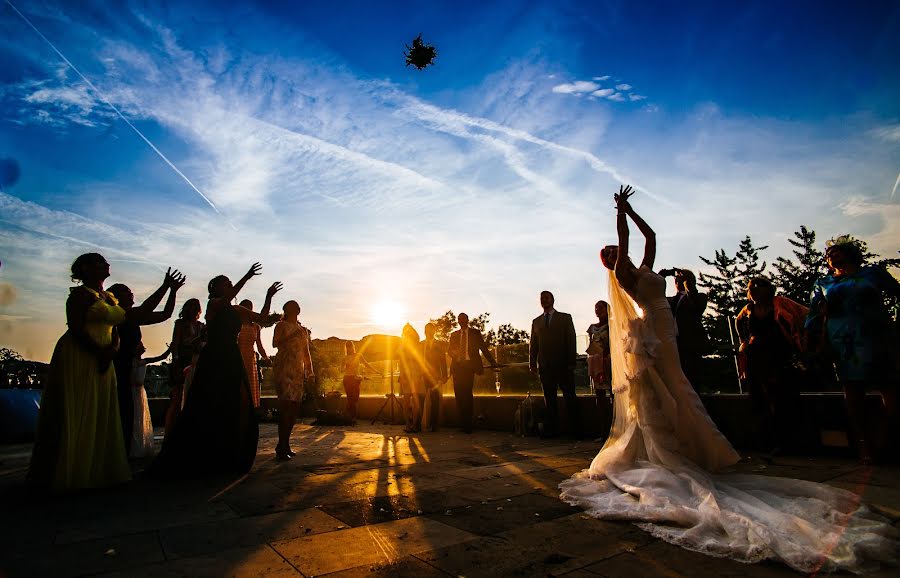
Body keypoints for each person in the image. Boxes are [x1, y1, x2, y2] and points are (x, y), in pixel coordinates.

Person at [559, 186, 898, 574]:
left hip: (666, 327)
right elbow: (627, 238)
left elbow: (649, 237)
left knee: (678, 385)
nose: (618, 254)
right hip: (655, 328)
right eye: (612, 255)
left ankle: (695, 447)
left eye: (617, 252)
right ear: (610, 262)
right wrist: (620, 213)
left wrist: (634, 211)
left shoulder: (647, 267)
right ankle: (677, 449)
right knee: (675, 387)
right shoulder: (624, 275)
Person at [151, 263, 281, 477]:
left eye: (230, 282)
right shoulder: (213, 304)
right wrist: (247, 276)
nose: (230, 284)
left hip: (232, 356)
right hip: (215, 357)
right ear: (216, 288)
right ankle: (204, 451)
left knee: (235, 401)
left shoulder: (236, 309)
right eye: (226, 283)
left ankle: (229, 450)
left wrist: (268, 297)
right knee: (210, 400)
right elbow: (228, 299)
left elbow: (262, 319)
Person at [27, 253, 132, 490]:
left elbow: (118, 326)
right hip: (80, 354)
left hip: (106, 354)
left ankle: (97, 469)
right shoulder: (79, 296)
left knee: (101, 408)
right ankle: (72, 471)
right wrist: (99, 352)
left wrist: (112, 350)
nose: (106, 264)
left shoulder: (110, 298)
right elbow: (75, 328)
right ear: (85, 269)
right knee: (80, 407)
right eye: (99, 262)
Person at [806, 235, 900, 464]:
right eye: (828, 254)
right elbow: (813, 315)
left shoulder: (871, 274)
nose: (831, 255)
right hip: (844, 340)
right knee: (853, 391)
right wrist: (812, 338)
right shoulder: (823, 283)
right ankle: (864, 445)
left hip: (876, 334)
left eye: (836, 251)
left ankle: (895, 439)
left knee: (890, 387)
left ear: (849, 252)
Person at [108, 268, 185, 453]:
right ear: (117, 297)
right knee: (121, 412)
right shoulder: (120, 315)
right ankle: (117, 453)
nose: (131, 292)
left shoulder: (133, 318)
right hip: (116, 368)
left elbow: (165, 314)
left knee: (127, 412)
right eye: (126, 290)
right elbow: (145, 309)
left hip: (127, 368)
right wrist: (165, 286)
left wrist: (173, 291)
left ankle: (123, 453)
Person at [736, 277, 809, 455]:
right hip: (756, 357)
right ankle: (766, 441)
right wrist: (744, 344)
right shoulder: (748, 310)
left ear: (768, 289)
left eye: (758, 286)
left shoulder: (780, 303)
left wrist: (801, 341)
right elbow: (741, 328)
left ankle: (787, 442)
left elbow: (805, 315)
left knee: (782, 398)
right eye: (750, 287)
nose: (753, 289)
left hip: (779, 355)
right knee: (759, 397)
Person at [530, 291, 580, 437]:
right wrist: (533, 362)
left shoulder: (565, 318)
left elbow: (571, 339)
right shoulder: (536, 321)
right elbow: (533, 344)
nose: (544, 301)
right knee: (549, 398)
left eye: (546, 298)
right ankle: (553, 430)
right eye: (542, 299)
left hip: (563, 364)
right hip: (545, 366)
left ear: (552, 300)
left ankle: (575, 430)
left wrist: (571, 361)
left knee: (569, 396)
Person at [272, 300, 313, 460]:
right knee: (286, 405)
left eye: (297, 306)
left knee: (295, 407)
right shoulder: (281, 326)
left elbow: (306, 352)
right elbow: (275, 343)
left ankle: (285, 443)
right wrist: (290, 336)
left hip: (297, 369)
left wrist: (310, 372)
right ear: (286, 310)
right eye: (292, 306)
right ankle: (281, 445)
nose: (295, 308)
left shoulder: (303, 330)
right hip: (284, 366)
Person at [659, 267, 709, 388]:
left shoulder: (699, 297)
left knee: (692, 381)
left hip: (691, 345)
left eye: (681, 278)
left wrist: (688, 283)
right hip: (673, 345)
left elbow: (696, 305)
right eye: (677, 278)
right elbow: (655, 293)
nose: (677, 280)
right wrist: (663, 274)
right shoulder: (670, 301)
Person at [448, 313, 497, 433]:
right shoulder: (454, 335)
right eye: (459, 319)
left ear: (467, 320)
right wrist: (456, 355)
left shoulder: (475, 333)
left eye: (463, 319)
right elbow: (449, 351)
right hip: (457, 367)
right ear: (458, 321)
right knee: (459, 396)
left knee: (467, 395)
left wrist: (492, 362)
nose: (461, 321)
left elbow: (483, 348)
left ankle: (468, 425)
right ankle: (462, 424)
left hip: (469, 367)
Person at [163, 298, 205, 436]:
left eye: (196, 307)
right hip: (182, 362)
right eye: (191, 306)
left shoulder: (201, 326)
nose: (194, 309)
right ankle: (169, 434)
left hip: (196, 362)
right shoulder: (180, 324)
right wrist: (175, 361)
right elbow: (175, 343)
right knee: (176, 399)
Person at [130, 341, 168, 459]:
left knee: (139, 417)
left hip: (139, 391)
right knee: (134, 417)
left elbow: (162, 357)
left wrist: (170, 349)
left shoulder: (143, 361)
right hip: (132, 391)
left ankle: (139, 444)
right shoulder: (131, 362)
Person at [237, 299, 268, 409]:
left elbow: (259, 345)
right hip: (236, 357)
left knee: (249, 389)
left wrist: (266, 357)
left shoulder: (255, 327)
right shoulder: (235, 324)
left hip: (250, 360)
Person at [342, 341, 379, 422]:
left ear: (353, 346)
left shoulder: (358, 356)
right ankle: (351, 417)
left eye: (350, 346)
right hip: (347, 379)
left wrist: (376, 371)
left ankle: (350, 416)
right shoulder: (345, 358)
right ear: (346, 348)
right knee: (350, 399)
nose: (349, 348)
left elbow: (366, 364)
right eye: (347, 347)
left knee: (355, 398)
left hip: (355, 379)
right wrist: (345, 367)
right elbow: (341, 370)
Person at [421, 322, 448, 431]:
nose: (429, 332)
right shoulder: (420, 344)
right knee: (420, 400)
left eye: (431, 329)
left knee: (435, 401)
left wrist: (444, 375)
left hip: (435, 376)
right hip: (421, 375)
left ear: (434, 331)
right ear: (424, 331)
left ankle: (434, 425)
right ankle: (419, 424)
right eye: (427, 329)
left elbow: (443, 361)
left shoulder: (439, 345)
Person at [586, 300, 612, 396]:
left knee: (612, 390)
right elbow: (591, 343)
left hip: (608, 361)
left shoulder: (611, 326)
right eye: (596, 308)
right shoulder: (592, 327)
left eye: (600, 307)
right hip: (595, 362)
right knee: (599, 392)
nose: (598, 310)